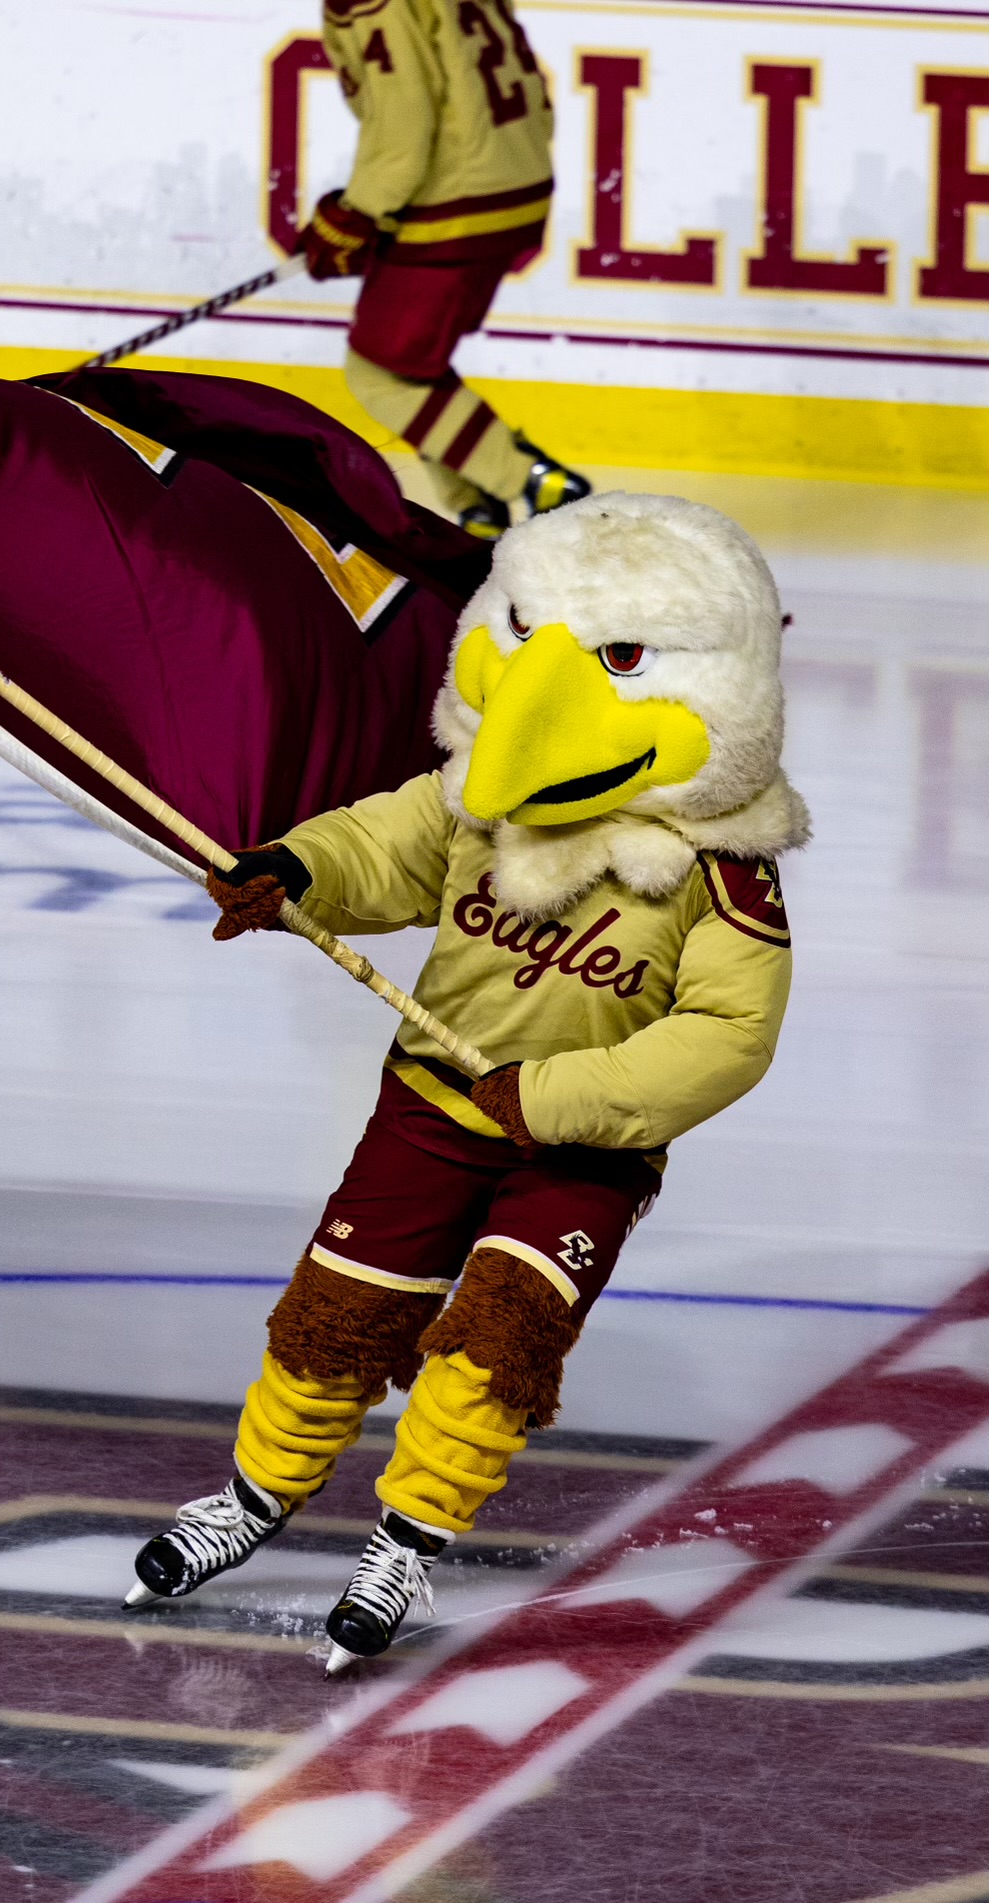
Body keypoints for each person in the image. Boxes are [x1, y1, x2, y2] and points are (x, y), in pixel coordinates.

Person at [125, 492, 810, 1672]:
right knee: (335, 1316)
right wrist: (295, 870)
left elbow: (724, 1037)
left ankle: (406, 1538)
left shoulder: (724, 873)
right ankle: (254, 1493)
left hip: (580, 1154)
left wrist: (548, 1101)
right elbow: (383, 845)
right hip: (430, 1108)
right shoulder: (478, 804)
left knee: (497, 1342)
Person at [301, 0, 589, 537]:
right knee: (415, 368)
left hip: (456, 199)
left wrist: (358, 211)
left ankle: (530, 478)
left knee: (382, 373)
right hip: (511, 183)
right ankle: (477, 513)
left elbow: (403, 130)